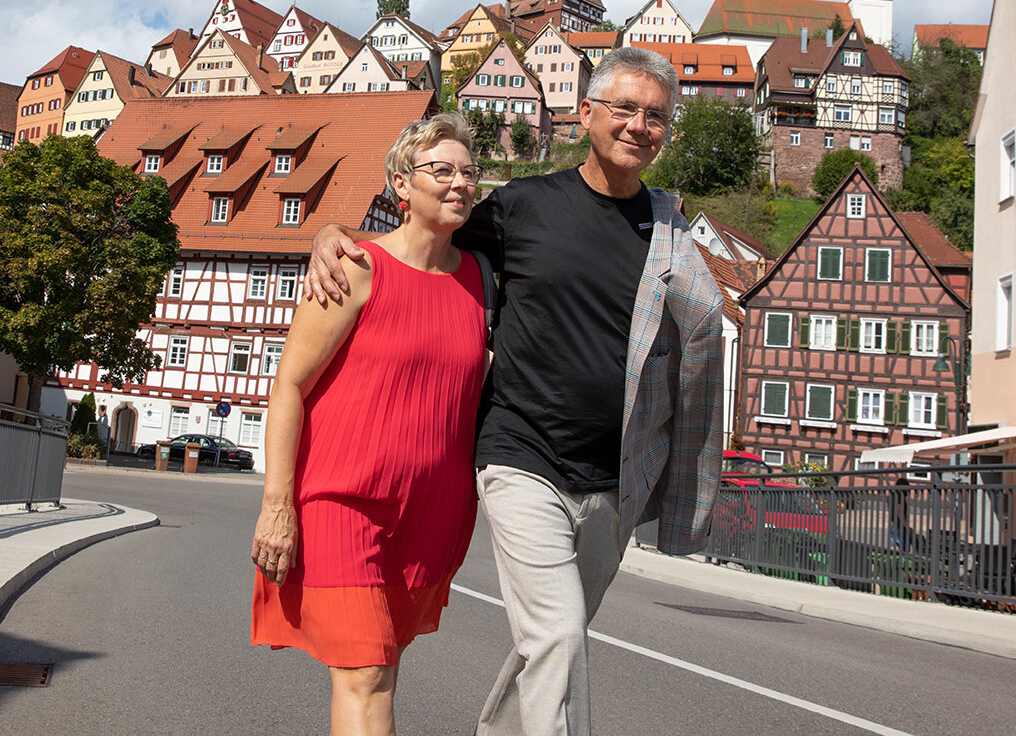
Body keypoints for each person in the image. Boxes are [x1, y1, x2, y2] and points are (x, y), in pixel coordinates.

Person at [307, 46, 724, 736]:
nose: (638, 125)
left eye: (655, 115)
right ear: (585, 113)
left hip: (613, 481)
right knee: (559, 635)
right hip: (521, 457)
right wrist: (332, 233)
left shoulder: (669, 232)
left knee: (550, 643)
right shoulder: (523, 206)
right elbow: (416, 240)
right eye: (623, 108)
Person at [252, 112, 489, 736]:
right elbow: (290, 385)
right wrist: (278, 503)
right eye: (441, 170)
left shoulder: (482, 279)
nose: (459, 183)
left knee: (383, 665)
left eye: (469, 172)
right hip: (343, 500)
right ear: (401, 185)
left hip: (431, 513)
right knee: (364, 672)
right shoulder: (354, 269)